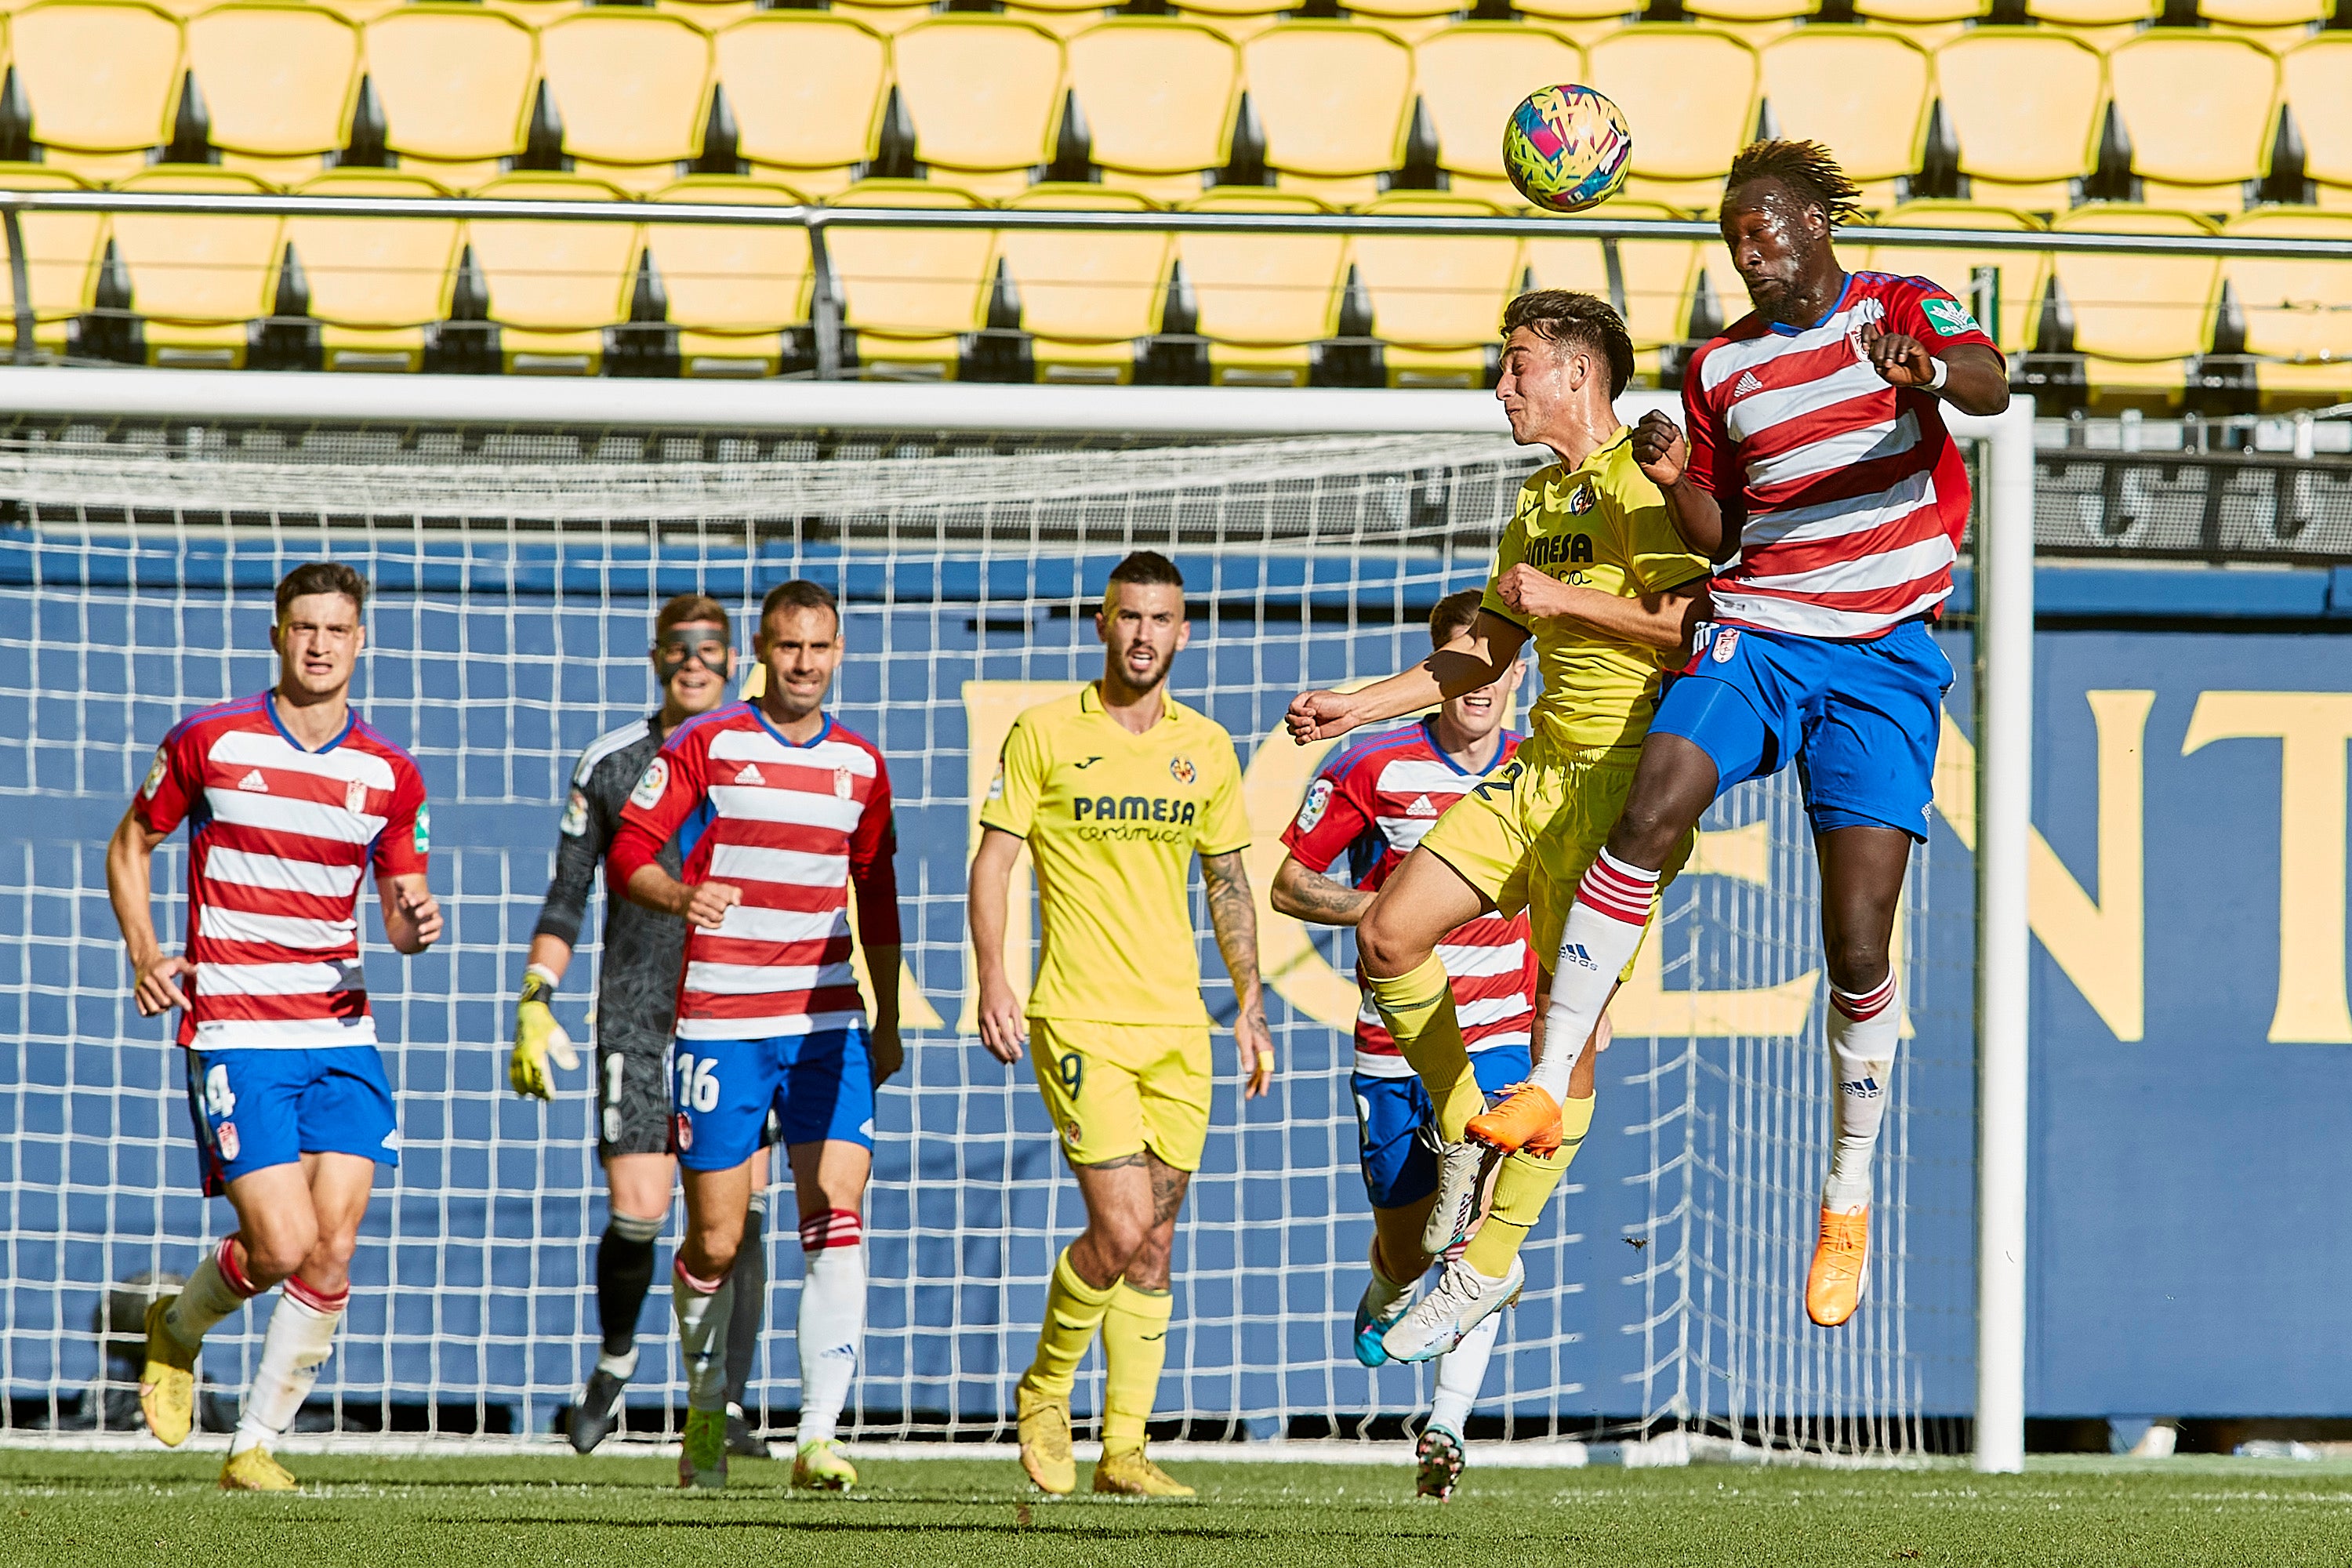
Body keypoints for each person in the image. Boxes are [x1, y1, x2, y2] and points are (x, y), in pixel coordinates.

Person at [1473, 140, 2009, 1331]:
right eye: (1735, 241)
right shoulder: (1721, 365)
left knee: (1858, 937)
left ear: (1818, 223)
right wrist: (1673, 475)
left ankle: (1848, 1186)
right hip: (1760, 630)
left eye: (1768, 232)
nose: (1752, 254)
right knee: (1652, 805)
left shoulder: (1897, 307)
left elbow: (1990, 384)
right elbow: (1720, 534)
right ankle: (1547, 1083)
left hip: (1882, 654)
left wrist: (1922, 368)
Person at [1286, 289, 1710, 1365]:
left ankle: (1486, 1265)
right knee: (1388, 935)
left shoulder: (1642, 485)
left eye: (1518, 365)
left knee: (1572, 1042)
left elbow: (1687, 629)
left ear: (1579, 374)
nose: (1502, 385)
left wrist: (1565, 607)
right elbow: (1482, 654)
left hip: (1623, 794)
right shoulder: (1537, 502)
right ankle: (1469, 1122)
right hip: (1540, 774)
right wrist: (1356, 705)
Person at [113, 562, 441, 1492]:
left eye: (337, 629)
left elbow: (399, 909)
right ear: (276, 635)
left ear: (361, 640)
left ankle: (253, 1442)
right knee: (282, 1246)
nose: (321, 644)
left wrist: (414, 925)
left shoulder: (389, 773)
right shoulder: (210, 740)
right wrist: (145, 949)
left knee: (335, 1245)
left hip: (341, 1031)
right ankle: (177, 1326)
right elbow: (130, 843)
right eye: (304, 627)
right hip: (237, 1029)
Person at [971, 550, 1275, 1500]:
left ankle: (1125, 1450)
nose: (1144, 636)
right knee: (1123, 1219)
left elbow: (1228, 880)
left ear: (1184, 633)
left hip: (1177, 1026)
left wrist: (1251, 1006)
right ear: (1103, 624)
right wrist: (995, 978)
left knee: (1157, 1236)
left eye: (1161, 620)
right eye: (1128, 617)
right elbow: (994, 862)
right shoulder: (1046, 731)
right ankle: (1045, 1389)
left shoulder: (1207, 746)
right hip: (1077, 1016)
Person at [606, 579, 903, 1491]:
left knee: (835, 1214)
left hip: (825, 1022)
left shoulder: (862, 764)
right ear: (761, 655)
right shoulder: (709, 743)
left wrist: (884, 1015)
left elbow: (878, 900)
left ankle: (818, 1434)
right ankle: (706, 1401)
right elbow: (628, 854)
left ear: (839, 651)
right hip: (724, 1021)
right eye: (787, 647)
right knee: (717, 1241)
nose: (804, 664)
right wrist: (681, 893)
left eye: (819, 648)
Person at [1271, 587, 1534, 1501]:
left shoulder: (1542, 772)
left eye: (1497, 661)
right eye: (1462, 662)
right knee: (1414, 1244)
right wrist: (1386, 914)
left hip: (1500, 1036)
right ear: (1432, 674)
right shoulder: (1372, 764)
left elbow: (1587, 883)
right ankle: (1387, 1286)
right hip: (1394, 1038)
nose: (1482, 681)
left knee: (1482, 1237)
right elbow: (1290, 885)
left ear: (1519, 668)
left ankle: (1447, 1425)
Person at [508, 594, 782, 1460]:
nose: (695, 663)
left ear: (737, 658)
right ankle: (616, 1362)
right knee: (640, 1207)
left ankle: (725, 1404)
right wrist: (535, 993)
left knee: (742, 1216)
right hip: (638, 1006)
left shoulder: (766, 756)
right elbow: (569, 890)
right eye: (679, 649)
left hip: (741, 1007)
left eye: (711, 649)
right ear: (657, 656)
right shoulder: (613, 760)